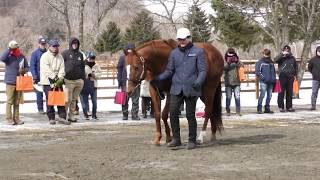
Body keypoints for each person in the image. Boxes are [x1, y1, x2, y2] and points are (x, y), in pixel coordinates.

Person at [156, 27, 207, 150]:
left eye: (184, 39)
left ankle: (191, 140)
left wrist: (198, 82)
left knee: (190, 115)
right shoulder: (174, 53)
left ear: (189, 38)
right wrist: (158, 78)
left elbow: (202, 70)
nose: (182, 42)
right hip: (176, 88)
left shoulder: (198, 52)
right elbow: (169, 70)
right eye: (180, 39)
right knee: (172, 113)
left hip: (191, 88)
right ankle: (176, 139)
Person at [39, 39, 70, 125]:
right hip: (47, 81)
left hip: (58, 80)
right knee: (50, 100)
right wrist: (55, 77)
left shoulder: (60, 56)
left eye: (57, 46)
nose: (55, 48)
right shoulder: (45, 56)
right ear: (50, 47)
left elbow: (62, 68)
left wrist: (60, 78)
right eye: (54, 46)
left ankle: (62, 116)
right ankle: (51, 117)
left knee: (60, 98)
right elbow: (46, 69)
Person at [0, 40, 28, 125]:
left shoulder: (22, 56)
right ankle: (9, 118)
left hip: (19, 81)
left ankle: (16, 118)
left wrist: (23, 70)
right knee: (10, 101)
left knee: (17, 101)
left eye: (16, 47)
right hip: (10, 81)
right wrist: (9, 49)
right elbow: (1, 58)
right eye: (14, 47)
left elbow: (27, 67)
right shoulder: (8, 55)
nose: (16, 48)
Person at [62, 37, 85, 122]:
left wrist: (82, 79)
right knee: (67, 99)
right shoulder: (65, 53)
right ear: (70, 44)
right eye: (73, 43)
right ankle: (63, 116)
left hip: (78, 81)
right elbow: (61, 65)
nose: (75, 45)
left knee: (74, 100)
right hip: (68, 80)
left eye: (76, 44)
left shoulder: (80, 55)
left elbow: (83, 67)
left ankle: (71, 116)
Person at [117, 43, 140, 120]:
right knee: (124, 99)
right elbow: (119, 70)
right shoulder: (123, 58)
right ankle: (125, 114)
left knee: (135, 100)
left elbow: (140, 69)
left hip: (135, 82)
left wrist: (139, 79)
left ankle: (135, 115)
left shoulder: (137, 58)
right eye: (128, 50)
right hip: (125, 82)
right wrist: (119, 81)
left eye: (131, 50)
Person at [274, 45, 298, 112]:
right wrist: (282, 54)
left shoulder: (292, 58)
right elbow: (275, 60)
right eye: (285, 50)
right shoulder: (281, 58)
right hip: (282, 76)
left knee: (289, 92)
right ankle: (281, 107)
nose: (286, 51)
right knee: (281, 92)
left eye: (288, 50)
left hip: (290, 76)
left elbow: (296, 67)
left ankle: (289, 107)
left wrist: (295, 75)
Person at [80, 51, 101, 120]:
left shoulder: (96, 65)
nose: (92, 59)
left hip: (94, 85)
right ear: (87, 58)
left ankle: (94, 114)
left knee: (94, 102)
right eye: (91, 58)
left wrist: (94, 75)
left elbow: (100, 74)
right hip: (85, 85)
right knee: (85, 102)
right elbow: (79, 74)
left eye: (93, 58)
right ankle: (86, 114)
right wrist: (86, 76)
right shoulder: (82, 65)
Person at [255, 49, 276, 114]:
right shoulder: (260, 62)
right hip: (264, 81)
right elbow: (257, 71)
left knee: (269, 95)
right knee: (262, 94)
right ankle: (259, 108)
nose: (266, 55)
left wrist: (274, 79)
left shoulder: (271, 62)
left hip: (271, 81)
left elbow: (273, 72)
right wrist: (263, 78)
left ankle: (267, 108)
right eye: (265, 54)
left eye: (268, 54)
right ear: (263, 54)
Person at [30, 36, 47, 114]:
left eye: (44, 44)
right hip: (38, 77)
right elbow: (32, 66)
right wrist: (35, 77)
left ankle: (49, 108)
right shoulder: (34, 54)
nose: (43, 45)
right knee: (39, 94)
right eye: (41, 44)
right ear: (39, 44)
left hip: (47, 78)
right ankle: (40, 109)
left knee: (48, 94)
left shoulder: (48, 53)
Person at [224, 48, 242, 116]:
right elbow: (224, 67)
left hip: (235, 82)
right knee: (229, 97)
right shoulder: (226, 63)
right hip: (229, 82)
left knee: (236, 97)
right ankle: (229, 111)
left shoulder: (237, 62)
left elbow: (241, 65)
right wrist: (229, 62)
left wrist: (236, 60)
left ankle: (237, 111)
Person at [308, 46, 320, 110]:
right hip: (316, 79)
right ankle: (313, 106)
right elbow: (309, 68)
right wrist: (314, 73)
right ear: (316, 51)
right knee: (314, 93)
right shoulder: (313, 60)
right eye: (318, 51)